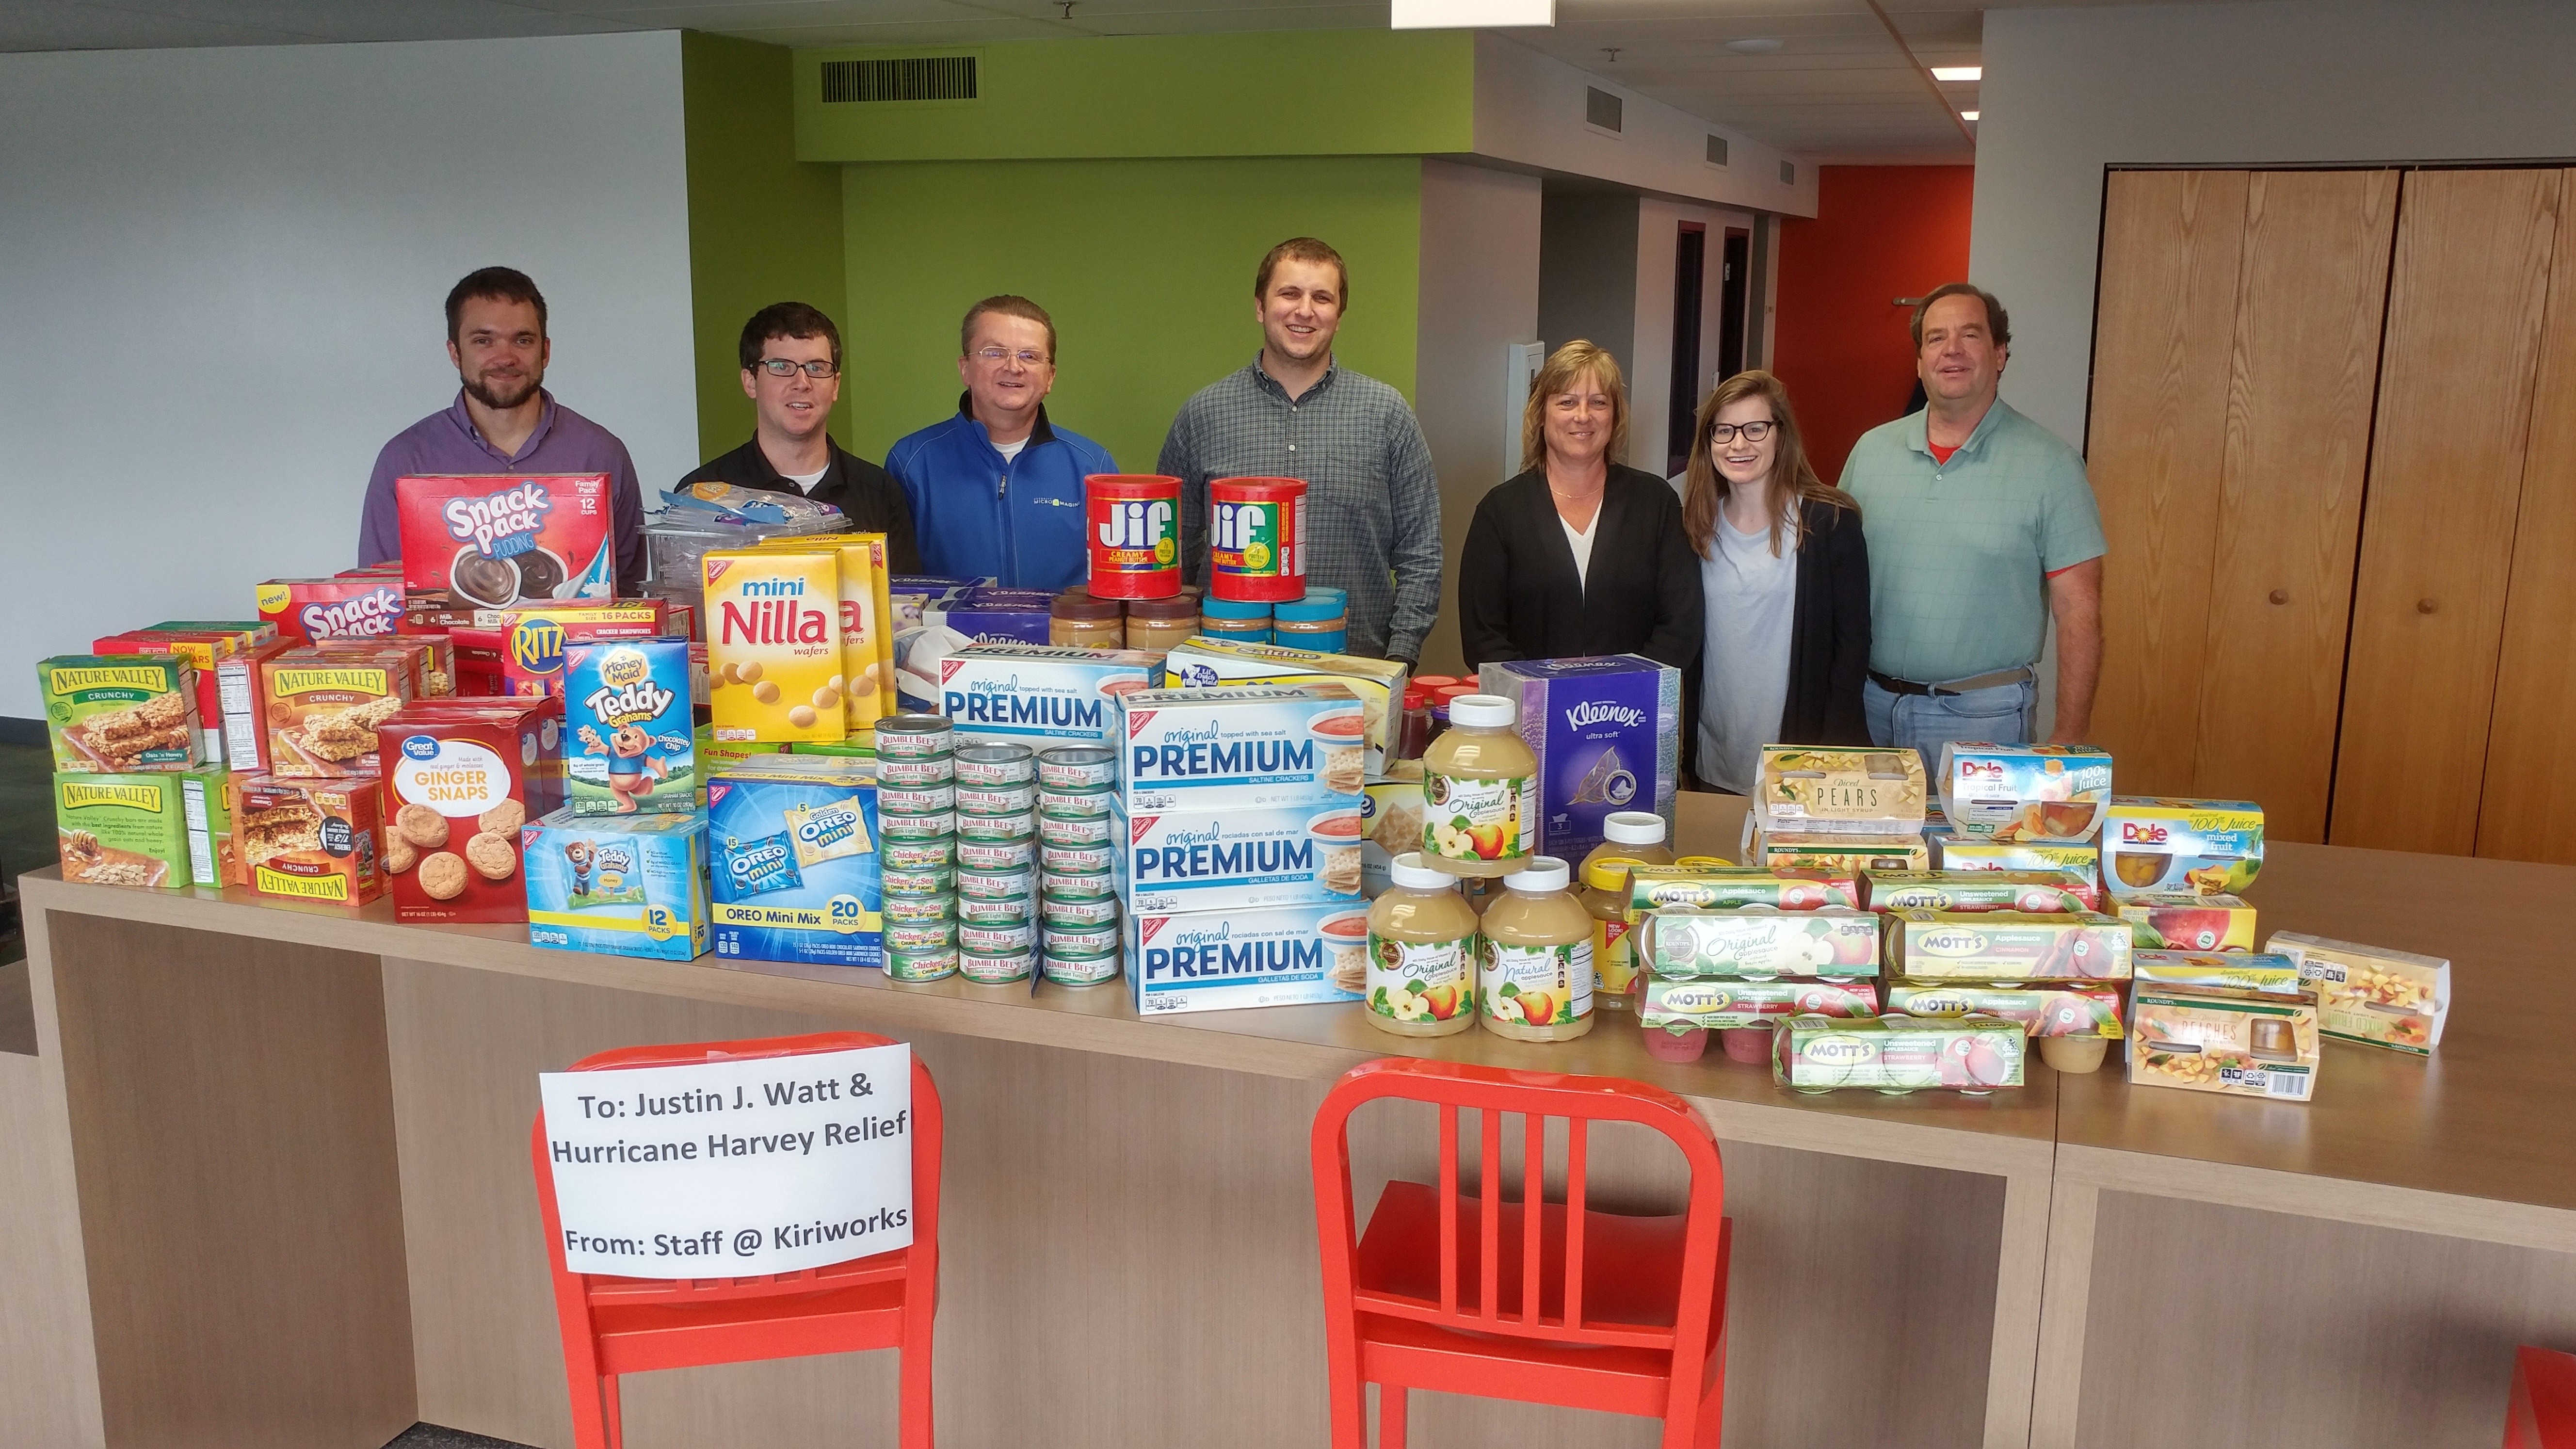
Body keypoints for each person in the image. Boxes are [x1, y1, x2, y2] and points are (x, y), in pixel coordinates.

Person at [1838, 282, 2106, 758]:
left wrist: (2069, 738)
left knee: (1976, 838)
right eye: (1936, 338)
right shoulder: (1869, 452)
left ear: (2000, 353)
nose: (1952, 350)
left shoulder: (2051, 465)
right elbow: (1832, 584)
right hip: (1868, 709)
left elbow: (2079, 609)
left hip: (1985, 719)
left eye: (1970, 335)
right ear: (1919, 361)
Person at [1159, 238, 1441, 667]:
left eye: (1322, 298)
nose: (1305, 310)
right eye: (1290, 293)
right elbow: (1175, 549)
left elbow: (1422, 552)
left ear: (1339, 316)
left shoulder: (1387, 415)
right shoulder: (1203, 415)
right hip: (1227, 666)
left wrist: (1401, 656)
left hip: (1358, 667)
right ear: (1260, 307)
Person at [359, 267, 646, 590]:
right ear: (455, 352)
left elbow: (627, 596)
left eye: (522, 340)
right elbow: (383, 596)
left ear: (546, 351)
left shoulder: (602, 454)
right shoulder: (404, 461)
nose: (505, 357)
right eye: (484, 341)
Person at [1680, 370, 1871, 793]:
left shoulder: (1829, 523)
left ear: (1780, 436)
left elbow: (1852, 650)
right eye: (1724, 431)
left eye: (1755, 429)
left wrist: (1831, 758)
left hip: (1805, 764)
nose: (1739, 444)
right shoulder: (1695, 526)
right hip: (1715, 757)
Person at [1457, 341, 1701, 672]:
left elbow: (1681, 624)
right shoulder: (1499, 512)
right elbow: (1483, 637)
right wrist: (1543, 698)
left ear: (1614, 416)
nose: (1583, 416)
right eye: (1567, 402)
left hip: (1634, 711)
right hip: (1531, 715)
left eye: (1598, 402)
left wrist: (1624, 691)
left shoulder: (1656, 503)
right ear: (1541, 413)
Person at [884, 295, 1114, 590]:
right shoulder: (911, 464)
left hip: (1065, 636)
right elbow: (896, 591)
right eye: (994, 353)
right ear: (965, 368)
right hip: (947, 638)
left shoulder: (1094, 468)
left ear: (1050, 377)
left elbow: (1116, 588)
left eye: (1029, 356)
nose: (1014, 367)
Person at [678, 302, 921, 572]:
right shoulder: (699, 497)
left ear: (836, 385)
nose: (802, 383)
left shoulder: (880, 493)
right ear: (750, 382)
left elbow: (902, 607)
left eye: (817, 368)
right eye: (782, 367)